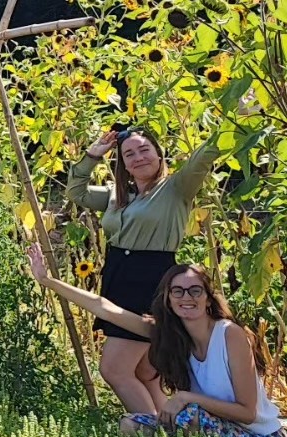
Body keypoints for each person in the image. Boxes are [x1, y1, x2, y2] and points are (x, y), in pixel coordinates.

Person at [27, 243, 285, 437]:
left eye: (195, 291)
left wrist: (185, 397)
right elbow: (104, 307)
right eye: (178, 292)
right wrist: (47, 281)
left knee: (191, 416)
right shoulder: (170, 336)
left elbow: (248, 413)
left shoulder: (230, 335)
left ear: (207, 298)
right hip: (211, 433)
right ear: (168, 300)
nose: (187, 298)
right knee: (130, 425)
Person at [66, 126, 220, 415]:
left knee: (114, 369)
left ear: (160, 155)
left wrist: (234, 118)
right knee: (143, 372)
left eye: (144, 149)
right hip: (119, 279)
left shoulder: (176, 188)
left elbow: (202, 158)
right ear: (122, 164)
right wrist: (91, 156)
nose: (138, 157)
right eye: (129, 154)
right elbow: (76, 192)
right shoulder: (117, 195)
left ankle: (147, 434)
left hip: (149, 282)